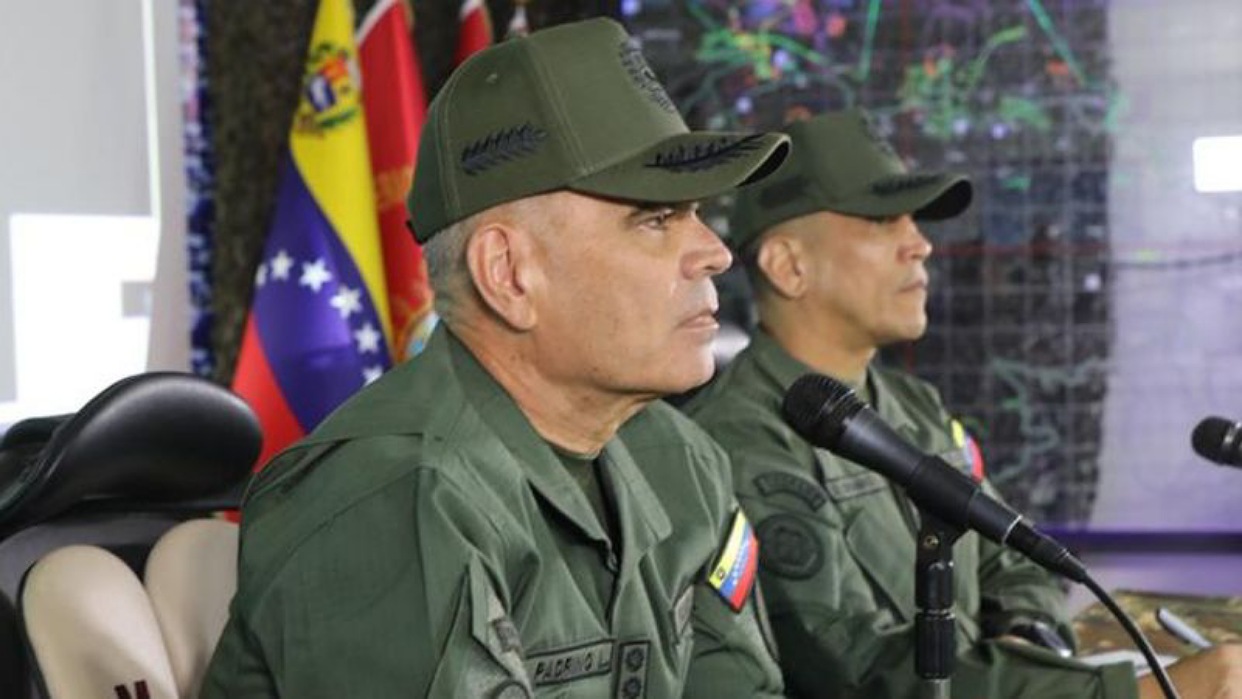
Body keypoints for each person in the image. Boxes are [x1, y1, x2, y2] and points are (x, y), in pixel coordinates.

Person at [201, 18, 793, 699]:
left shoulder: (680, 460)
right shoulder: (392, 495)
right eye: (655, 218)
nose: (715, 252)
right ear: (509, 274)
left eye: (697, 213)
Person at [684, 108, 1242, 699]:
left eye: (914, 222)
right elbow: (862, 670)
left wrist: (1029, 636)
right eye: (881, 221)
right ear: (789, 265)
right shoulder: (739, 441)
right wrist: (1124, 694)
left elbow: (1013, 560)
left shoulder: (911, 405)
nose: (920, 244)